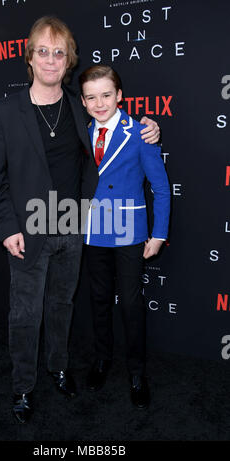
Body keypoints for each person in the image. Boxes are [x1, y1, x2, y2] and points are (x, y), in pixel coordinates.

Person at [0, 16, 160, 424]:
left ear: (68, 61)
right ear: (29, 57)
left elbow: (117, 123)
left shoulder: (80, 108)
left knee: (61, 306)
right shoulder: (3, 112)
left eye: (59, 53)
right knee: (26, 314)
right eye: (42, 51)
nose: (51, 60)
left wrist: (152, 127)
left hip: (72, 224)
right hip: (27, 230)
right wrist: (7, 227)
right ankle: (23, 387)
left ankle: (58, 368)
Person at [79, 65, 170, 409]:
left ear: (119, 96)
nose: (99, 103)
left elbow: (160, 188)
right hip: (92, 232)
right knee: (99, 299)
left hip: (130, 232)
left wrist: (159, 234)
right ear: (84, 102)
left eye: (106, 94)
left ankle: (137, 372)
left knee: (131, 304)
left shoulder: (141, 133)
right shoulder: (81, 133)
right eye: (91, 97)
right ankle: (102, 359)